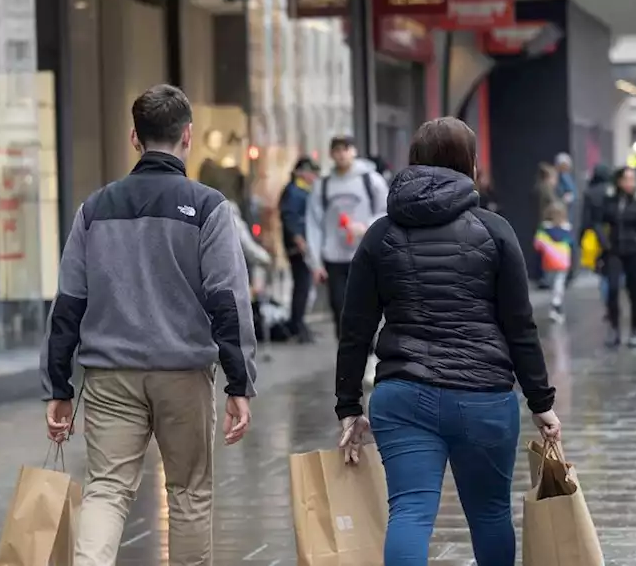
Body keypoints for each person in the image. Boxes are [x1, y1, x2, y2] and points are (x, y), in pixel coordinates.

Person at [41, 84, 257, 566]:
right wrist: (239, 382)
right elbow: (228, 301)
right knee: (188, 491)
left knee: (106, 490)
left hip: (109, 375)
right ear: (189, 136)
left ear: (134, 138)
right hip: (183, 373)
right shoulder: (209, 208)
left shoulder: (93, 209)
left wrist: (58, 385)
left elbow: (69, 303)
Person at [335, 117, 559, 566]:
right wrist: (541, 401)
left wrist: (348, 407)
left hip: (403, 394)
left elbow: (355, 326)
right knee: (491, 513)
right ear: (470, 165)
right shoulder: (494, 230)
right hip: (483, 396)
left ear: (413, 163)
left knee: (410, 513)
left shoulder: (381, 234)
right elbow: (520, 324)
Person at [306, 135, 389, 338]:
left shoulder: (371, 180)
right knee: (340, 309)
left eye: (346, 149)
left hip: (365, 255)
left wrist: (366, 226)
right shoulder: (322, 186)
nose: (342, 154)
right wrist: (315, 263)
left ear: (354, 151)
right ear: (331, 154)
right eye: (337, 150)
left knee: (365, 308)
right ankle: (348, 355)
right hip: (334, 258)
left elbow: (387, 212)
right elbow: (314, 224)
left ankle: (367, 349)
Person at [597, 166, 636, 348]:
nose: (630, 183)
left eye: (633, 179)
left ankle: (634, 330)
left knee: (633, 290)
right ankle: (614, 329)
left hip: (635, 251)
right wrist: (604, 242)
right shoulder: (611, 200)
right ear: (619, 181)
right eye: (626, 179)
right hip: (614, 250)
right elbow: (600, 221)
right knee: (612, 289)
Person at [279, 157, 320, 343]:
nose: (314, 176)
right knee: (302, 285)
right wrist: (299, 241)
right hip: (298, 246)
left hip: (304, 243)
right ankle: (297, 325)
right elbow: (290, 218)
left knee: (304, 285)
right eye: (310, 172)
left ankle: (299, 323)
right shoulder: (294, 191)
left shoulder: (303, 189)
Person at [579, 165, 614, 303]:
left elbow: (586, 218)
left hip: (596, 234)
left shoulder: (589, 193)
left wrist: (581, 236)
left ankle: (607, 303)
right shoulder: (612, 191)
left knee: (603, 270)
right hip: (612, 232)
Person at [536, 202, 574, 322]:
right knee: (559, 284)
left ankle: (555, 306)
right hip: (563, 262)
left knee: (553, 284)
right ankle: (556, 305)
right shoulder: (567, 229)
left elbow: (537, 245)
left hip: (548, 261)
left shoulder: (543, 229)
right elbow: (571, 243)